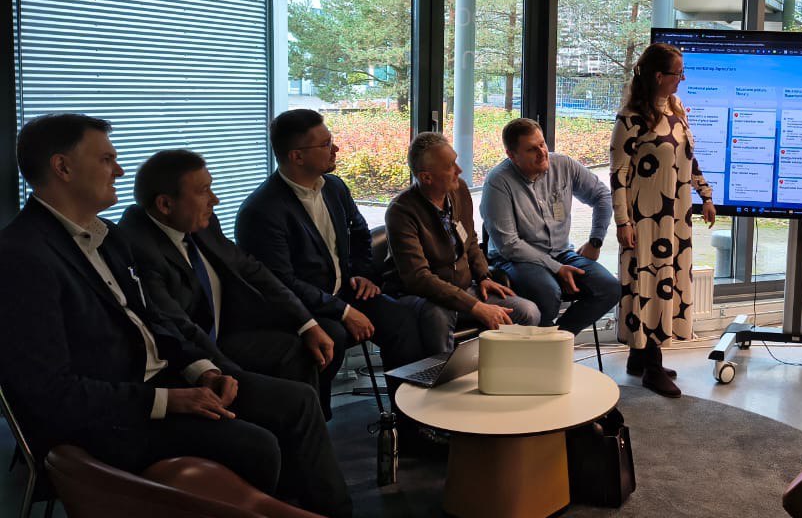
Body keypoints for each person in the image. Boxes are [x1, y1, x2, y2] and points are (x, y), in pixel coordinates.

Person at [0, 114, 351, 516]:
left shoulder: (105, 236)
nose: (119, 170)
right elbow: (49, 393)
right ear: (62, 167)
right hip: (106, 418)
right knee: (257, 446)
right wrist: (168, 400)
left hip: (162, 380)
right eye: (106, 159)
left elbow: (155, 321)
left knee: (297, 401)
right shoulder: (21, 257)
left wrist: (202, 371)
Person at [235, 109, 440, 416]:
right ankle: (317, 424)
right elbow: (281, 282)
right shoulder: (262, 211)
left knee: (401, 319)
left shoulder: (334, 187)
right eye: (326, 143)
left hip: (345, 292)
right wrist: (343, 311)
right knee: (333, 335)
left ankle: (409, 417)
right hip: (300, 308)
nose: (336, 148)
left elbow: (359, 232)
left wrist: (363, 273)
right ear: (297, 156)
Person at [118, 149, 339, 394]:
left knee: (310, 346)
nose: (215, 200)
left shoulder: (200, 221)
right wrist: (231, 375)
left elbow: (253, 270)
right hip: (187, 357)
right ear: (165, 204)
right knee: (296, 398)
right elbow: (177, 324)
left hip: (229, 330)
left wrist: (307, 323)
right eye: (203, 191)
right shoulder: (136, 248)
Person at [610, 43, 716, 398]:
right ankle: (652, 367)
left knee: (667, 282)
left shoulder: (675, 107)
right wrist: (623, 222)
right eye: (677, 73)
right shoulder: (631, 117)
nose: (681, 79)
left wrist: (705, 195)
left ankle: (639, 358)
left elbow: (689, 156)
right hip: (644, 220)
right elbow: (618, 174)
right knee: (649, 285)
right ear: (658, 76)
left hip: (676, 217)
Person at [384, 131, 539, 355]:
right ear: (426, 177)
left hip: (465, 289)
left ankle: (500, 370)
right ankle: (444, 377)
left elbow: (470, 240)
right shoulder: (401, 212)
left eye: (455, 161)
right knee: (438, 317)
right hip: (424, 296)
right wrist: (476, 307)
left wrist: (484, 276)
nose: (459, 170)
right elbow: (419, 278)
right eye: (450, 166)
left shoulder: (459, 190)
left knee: (528, 312)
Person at [481, 118, 621, 338]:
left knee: (610, 288)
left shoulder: (563, 165)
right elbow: (509, 245)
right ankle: (544, 346)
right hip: (516, 259)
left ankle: (555, 340)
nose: (542, 153)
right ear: (512, 155)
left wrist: (595, 241)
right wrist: (557, 268)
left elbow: (602, 196)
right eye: (531, 149)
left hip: (561, 252)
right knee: (547, 293)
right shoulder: (498, 182)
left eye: (542, 144)